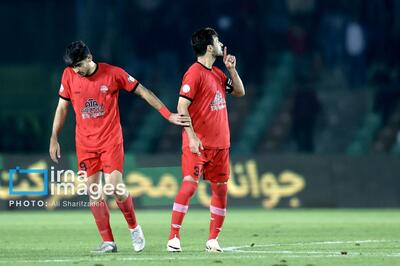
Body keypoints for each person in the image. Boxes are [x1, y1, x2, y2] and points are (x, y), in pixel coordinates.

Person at [49, 41, 191, 254]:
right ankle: (109, 242)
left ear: (89, 58)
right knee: (94, 192)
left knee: (115, 186)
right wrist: (54, 137)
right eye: (73, 67)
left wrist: (168, 114)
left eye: (79, 65)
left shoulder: (113, 74)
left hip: (110, 140)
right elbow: (62, 108)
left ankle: (134, 228)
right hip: (85, 144)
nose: (76, 70)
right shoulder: (69, 75)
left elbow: (142, 91)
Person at [167, 27, 245, 252]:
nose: (221, 43)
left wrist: (232, 70)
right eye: (217, 40)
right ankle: (174, 237)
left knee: (220, 190)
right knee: (190, 186)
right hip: (199, 143)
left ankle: (213, 240)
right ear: (210, 47)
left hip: (221, 144)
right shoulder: (194, 72)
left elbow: (239, 92)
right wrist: (191, 137)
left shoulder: (219, 73)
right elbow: (182, 105)